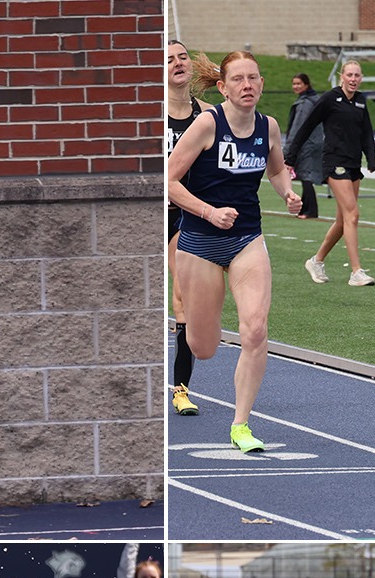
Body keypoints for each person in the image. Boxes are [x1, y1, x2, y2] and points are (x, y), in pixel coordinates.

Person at [169, 51, 303, 455]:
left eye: (253, 78)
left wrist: (287, 193)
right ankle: (196, 343)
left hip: (247, 239)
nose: (247, 85)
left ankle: (241, 424)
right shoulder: (207, 124)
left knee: (256, 330)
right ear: (223, 87)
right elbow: (168, 181)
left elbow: (276, 169)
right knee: (204, 346)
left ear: (262, 84)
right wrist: (209, 212)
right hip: (199, 243)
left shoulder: (268, 126)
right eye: (238, 79)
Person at [289, 61, 375, 288]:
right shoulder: (330, 98)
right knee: (353, 214)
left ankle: (316, 261)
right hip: (334, 163)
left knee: (342, 220)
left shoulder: (360, 100)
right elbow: (307, 126)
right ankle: (356, 271)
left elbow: (366, 132)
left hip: (353, 164)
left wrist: (371, 157)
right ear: (342, 76)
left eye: (357, 75)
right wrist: (290, 156)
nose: (353, 79)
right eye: (349, 75)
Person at [168, 40, 213, 418]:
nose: (177, 63)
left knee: (183, 297)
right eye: (168, 59)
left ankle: (180, 389)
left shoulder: (207, 114)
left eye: (182, 56)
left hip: (183, 214)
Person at [284, 72, 325, 221]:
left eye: (299, 84)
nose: (295, 86)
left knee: (306, 176)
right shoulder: (314, 100)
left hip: (306, 144)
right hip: (315, 142)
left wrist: (288, 149)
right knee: (306, 176)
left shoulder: (305, 103)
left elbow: (297, 127)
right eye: (294, 83)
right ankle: (305, 207)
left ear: (306, 85)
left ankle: (310, 210)